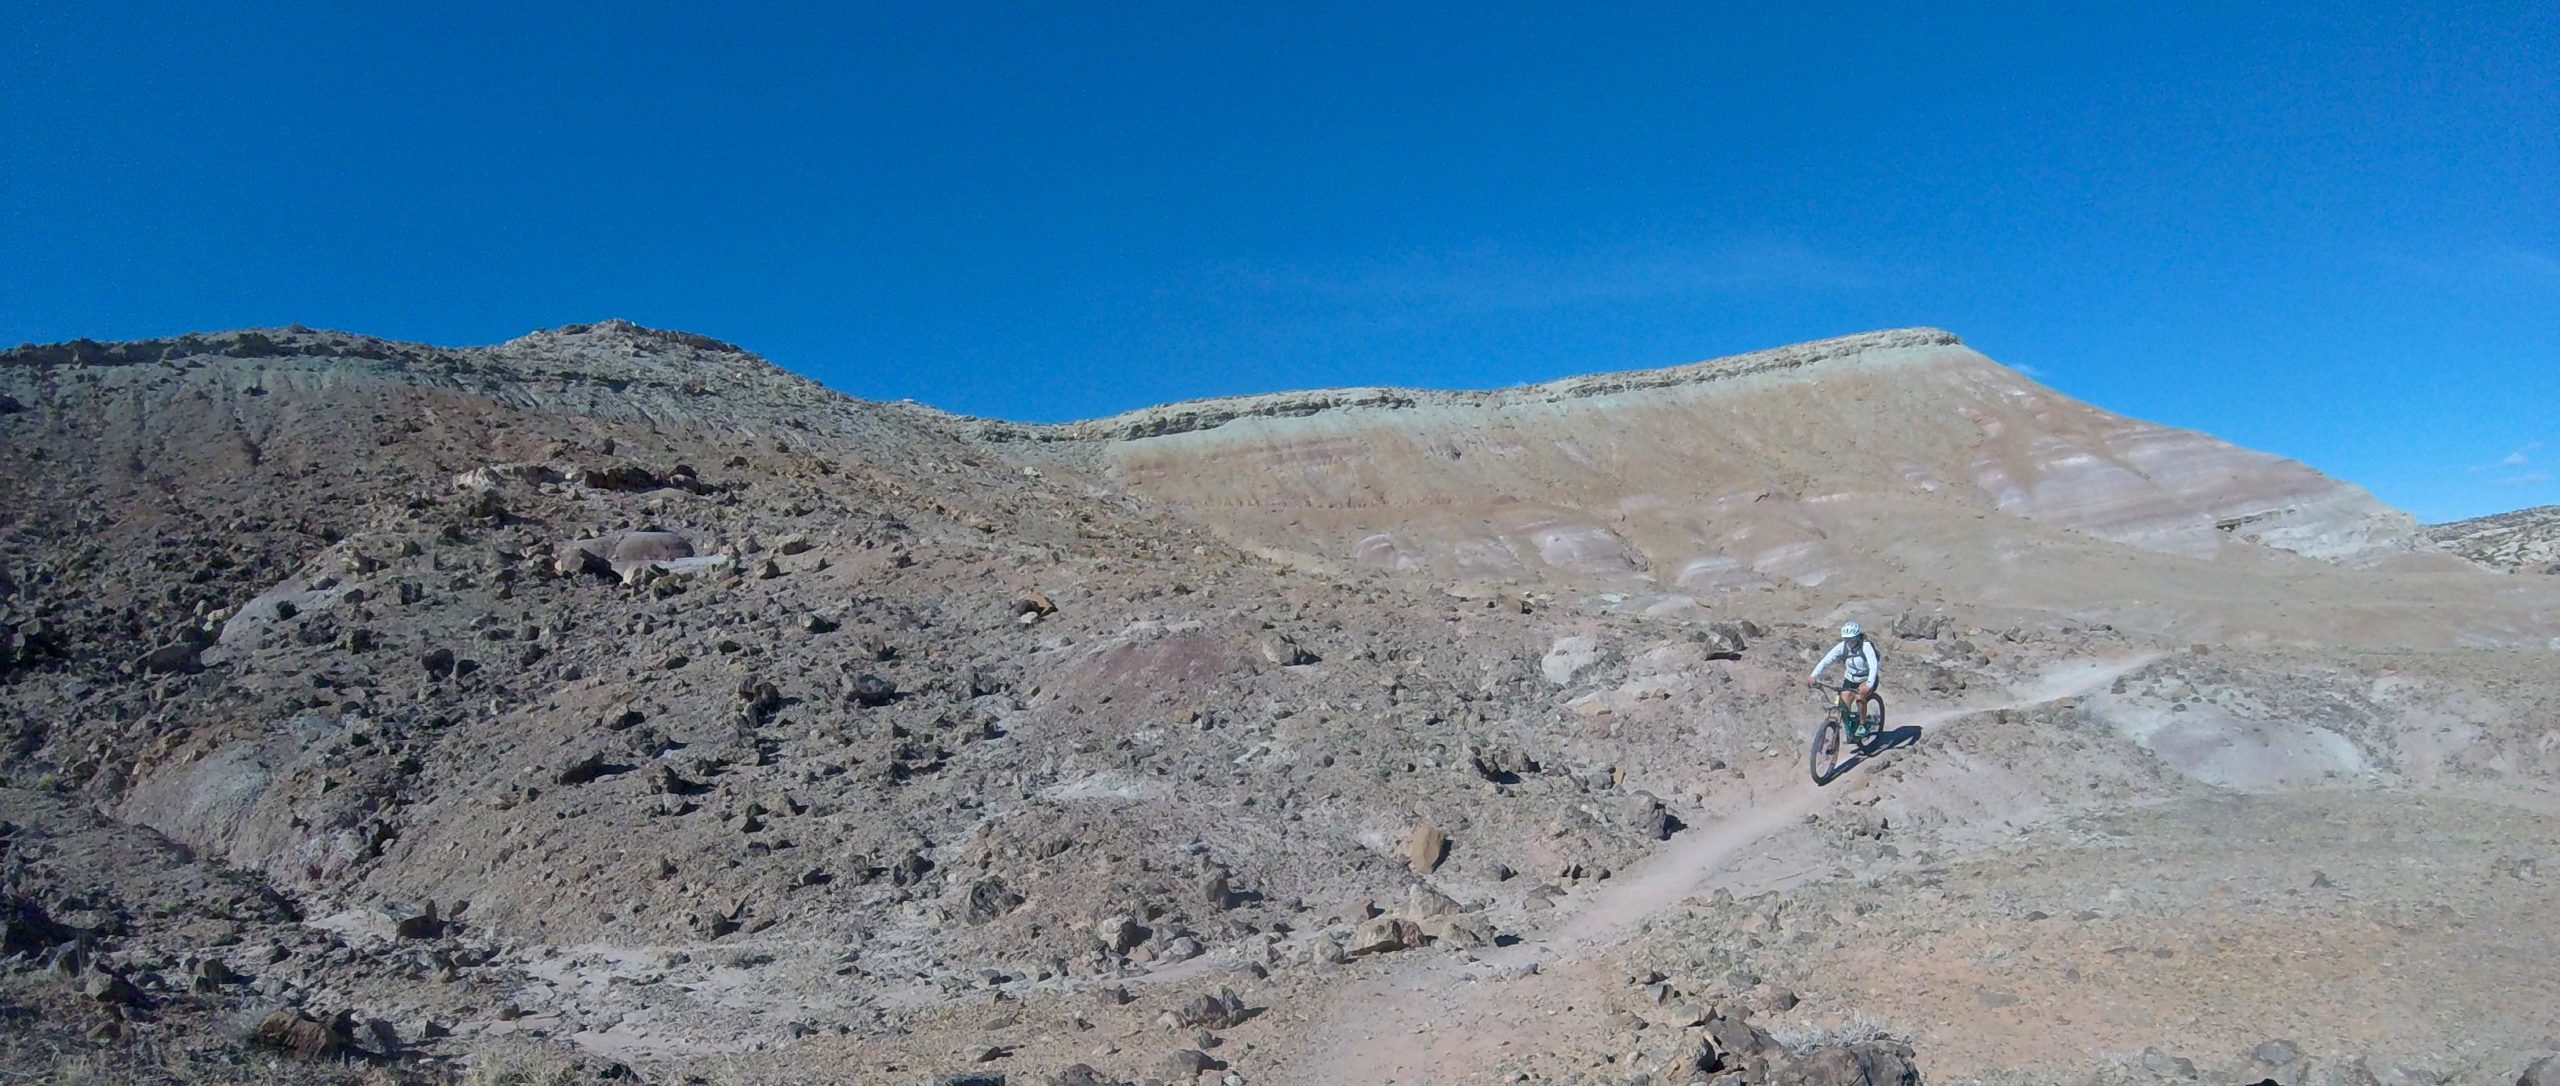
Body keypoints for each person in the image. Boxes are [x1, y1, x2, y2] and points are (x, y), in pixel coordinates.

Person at [1803, 622, 1880, 729]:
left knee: (1860, 698)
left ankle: (1863, 724)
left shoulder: (1865, 646)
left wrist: (1869, 685)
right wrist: (1813, 675)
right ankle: (1850, 728)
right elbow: (1826, 661)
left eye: (1852, 639)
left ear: (1857, 637)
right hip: (1850, 678)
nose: (1849, 642)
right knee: (1843, 704)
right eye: (1846, 639)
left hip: (1866, 679)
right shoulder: (1842, 647)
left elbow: (1873, 665)